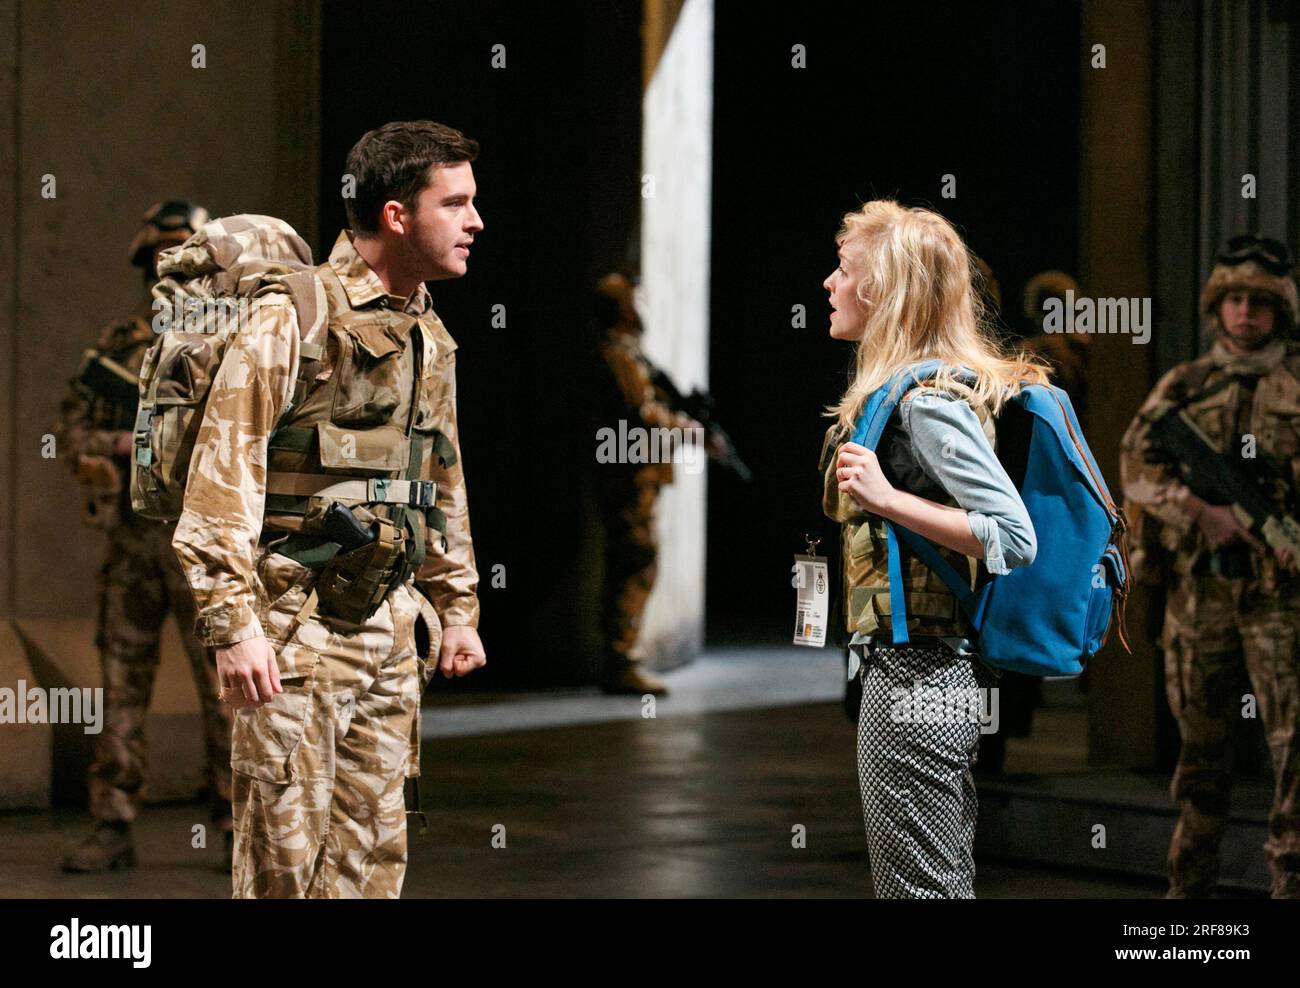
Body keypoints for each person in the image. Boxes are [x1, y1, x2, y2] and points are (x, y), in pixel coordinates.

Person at [172, 121, 487, 898]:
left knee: (371, 867)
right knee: (283, 872)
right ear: (395, 215)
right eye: (456, 203)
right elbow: (223, 473)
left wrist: (456, 605)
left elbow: (438, 477)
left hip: (388, 629)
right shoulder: (296, 315)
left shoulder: (426, 331)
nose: (476, 221)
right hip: (294, 636)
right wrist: (233, 627)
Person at [818, 199, 1047, 898]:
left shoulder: (926, 403)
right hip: (904, 669)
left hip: (923, 674)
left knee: (922, 888)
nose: (829, 284)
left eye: (844, 270)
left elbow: (1012, 536)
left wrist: (888, 499)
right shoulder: (895, 394)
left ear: (884, 290)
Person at [53, 200, 234, 873]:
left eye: (185, 254)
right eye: (160, 256)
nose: (171, 268)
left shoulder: (234, 343)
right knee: (120, 686)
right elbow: (70, 432)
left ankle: (234, 824)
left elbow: (252, 437)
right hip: (131, 542)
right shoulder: (117, 348)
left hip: (203, 544)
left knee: (226, 688)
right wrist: (127, 441)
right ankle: (113, 824)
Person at [1119, 233, 1300, 898]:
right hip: (1200, 597)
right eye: (1234, 300)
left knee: (1294, 757)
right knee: (1200, 761)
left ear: (1281, 311)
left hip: (1280, 602)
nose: (1246, 313)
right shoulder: (1185, 387)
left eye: (1260, 301)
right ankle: (1189, 899)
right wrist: (1200, 510)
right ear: (1216, 308)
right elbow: (1136, 466)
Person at [591, 273, 725, 695]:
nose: (641, 309)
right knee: (635, 561)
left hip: (639, 473)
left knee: (638, 561)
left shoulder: (630, 352)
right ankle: (620, 661)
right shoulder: (617, 353)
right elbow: (641, 412)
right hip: (629, 475)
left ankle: (622, 658)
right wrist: (686, 429)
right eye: (634, 302)